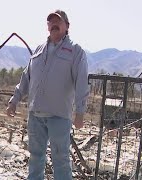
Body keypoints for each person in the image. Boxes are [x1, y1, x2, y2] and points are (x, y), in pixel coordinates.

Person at [6, 9, 89, 180]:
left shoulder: (75, 51)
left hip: (59, 116)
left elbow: (82, 82)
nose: (53, 25)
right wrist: (14, 100)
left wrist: (80, 112)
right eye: (50, 22)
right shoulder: (38, 50)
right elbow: (26, 78)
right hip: (35, 115)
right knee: (36, 157)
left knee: (61, 159)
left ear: (67, 26)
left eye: (58, 21)